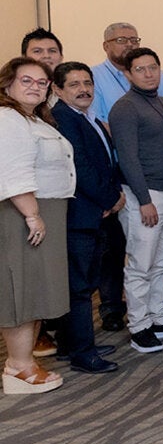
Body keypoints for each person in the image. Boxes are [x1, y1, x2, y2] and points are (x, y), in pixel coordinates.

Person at [110, 47, 163, 352]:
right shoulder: (125, 108)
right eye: (140, 69)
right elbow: (128, 158)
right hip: (144, 197)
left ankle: (159, 317)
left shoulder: (161, 102)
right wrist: (143, 199)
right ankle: (139, 326)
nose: (148, 74)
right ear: (127, 74)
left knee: (162, 263)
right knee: (140, 265)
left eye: (153, 68)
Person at [0, 58, 75, 394]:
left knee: (37, 288)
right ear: (7, 85)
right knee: (20, 289)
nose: (35, 86)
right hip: (24, 213)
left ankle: (24, 360)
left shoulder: (33, 118)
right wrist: (32, 214)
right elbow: (13, 172)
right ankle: (17, 367)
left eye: (42, 82)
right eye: (26, 80)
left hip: (44, 212)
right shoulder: (8, 118)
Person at [50, 62, 122, 374]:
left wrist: (114, 194)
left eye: (87, 83)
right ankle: (83, 352)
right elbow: (79, 167)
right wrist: (109, 199)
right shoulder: (64, 119)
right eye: (74, 84)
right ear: (57, 89)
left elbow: (106, 161)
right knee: (79, 287)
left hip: (97, 212)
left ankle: (69, 344)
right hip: (81, 214)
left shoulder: (86, 117)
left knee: (85, 282)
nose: (84, 89)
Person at [91, 22, 163, 122]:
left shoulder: (155, 75)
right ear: (106, 46)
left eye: (134, 40)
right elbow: (95, 122)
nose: (129, 45)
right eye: (121, 40)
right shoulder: (93, 77)